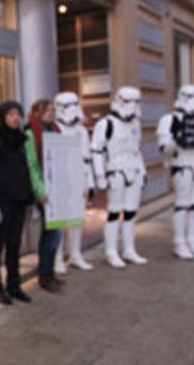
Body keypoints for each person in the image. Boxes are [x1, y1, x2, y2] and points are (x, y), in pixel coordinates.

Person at [0, 101, 35, 304]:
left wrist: (29, 196)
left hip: (19, 200)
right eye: (11, 114)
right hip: (1, 202)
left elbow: (26, 171)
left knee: (14, 244)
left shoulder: (21, 141)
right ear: (3, 117)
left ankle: (14, 285)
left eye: (18, 114)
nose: (15, 118)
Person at [91, 86, 148, 267]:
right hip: (115, 171)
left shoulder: (135, 124)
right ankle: (111, 251)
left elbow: (137, 150)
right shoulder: (105, 124)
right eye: (128, 101)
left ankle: (129, 249)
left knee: (131, 213)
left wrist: (143, 170)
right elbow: (97, 151)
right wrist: (100, 175)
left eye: (135, 102)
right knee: (114, 213)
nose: (132, 106)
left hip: (134, 170)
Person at [157, 84, 194, 260]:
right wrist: (177, 139)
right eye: (190, 97)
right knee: (182, 205)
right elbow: (164, 148)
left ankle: (193, 241)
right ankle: (179, 242)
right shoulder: (170, 120)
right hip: (182, 165)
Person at [52, 92, 95, 271]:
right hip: (60, 177)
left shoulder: (81, 131)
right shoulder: (54, 129)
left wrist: (89, 182)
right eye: (67, 105)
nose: (71, 109)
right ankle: (57, 257)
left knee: (76, 220)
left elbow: (87, 158)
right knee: (59, 222)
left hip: (79, 176)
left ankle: (75, 254)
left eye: (74, 104)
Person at [26, 99, 65, 292]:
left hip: (56, 188)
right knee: (52, 233)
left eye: (52, 110)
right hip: (44, 190)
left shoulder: (55, 130)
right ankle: (45, 275)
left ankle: (48, 272)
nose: (51, 113)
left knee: (55, 233)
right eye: (47, 110)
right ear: (37, 112)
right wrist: (40, 191)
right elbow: (32, 165)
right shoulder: (31, 134)